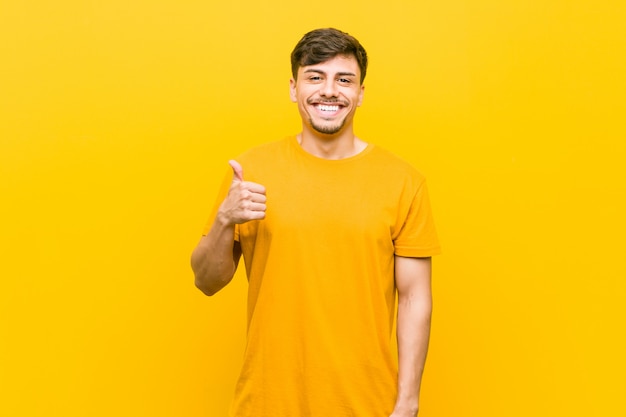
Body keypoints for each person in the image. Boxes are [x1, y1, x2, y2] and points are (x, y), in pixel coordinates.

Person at [191, 28, 441, 417]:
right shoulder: (252, 172)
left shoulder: (404, 182)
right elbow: (207, 281)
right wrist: (225, 220)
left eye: (344, 79)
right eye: (315, 77)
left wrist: (408, 401)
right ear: (294, 88)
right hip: (267, 401)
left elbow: (414, 299)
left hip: (367, 403)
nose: (329, 90)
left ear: (360, 93)